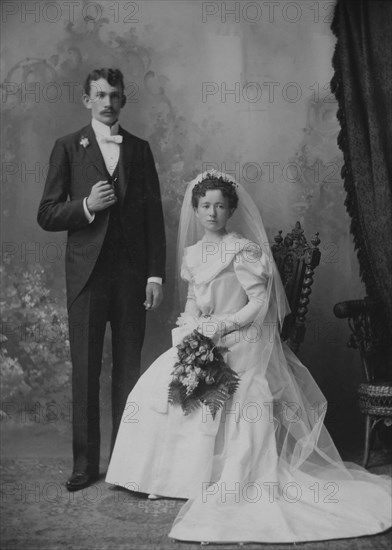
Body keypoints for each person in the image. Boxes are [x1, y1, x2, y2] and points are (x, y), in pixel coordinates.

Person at [106, 171, 391, 543]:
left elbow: (258, 303)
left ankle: (214, 478)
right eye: (205, 206)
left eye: (220, 206)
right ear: (196, 209)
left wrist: (222, 326)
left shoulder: (242, 251)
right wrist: (193, 323)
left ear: (231, 211)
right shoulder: (193, 255)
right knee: (156, 385)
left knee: (234, 390)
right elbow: (194, 298)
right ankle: (161, 477)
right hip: (206, 334)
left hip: (244, 336)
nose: (212, 213)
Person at [37, 68, 166, 492]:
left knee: (130, 375)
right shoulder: (67, 148)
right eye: (99, 95)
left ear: (124, 100)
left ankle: (127, 466)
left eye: (114, 95)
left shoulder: (141, 150)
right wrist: (87, 206)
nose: (107, 101)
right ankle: (84, 466)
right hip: (87, 279)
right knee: (86, 373)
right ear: (86, 100)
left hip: (132, 280)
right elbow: (48, 213)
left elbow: (153, 217)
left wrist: (154, 274)